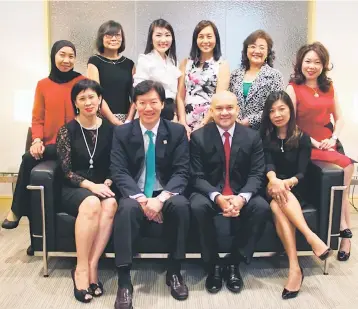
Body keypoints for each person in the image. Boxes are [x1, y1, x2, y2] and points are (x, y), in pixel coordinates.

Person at [111, 80, 190, 308]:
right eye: (142, 102)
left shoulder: (175, 131)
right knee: (125, 210)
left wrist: (161, 199)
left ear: (162, 103)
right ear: (135, 104)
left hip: (164, 190)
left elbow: (181, 171)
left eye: (153, 102)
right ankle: (124, 281)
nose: (148, 108)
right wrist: (143, 200)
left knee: (182, 206)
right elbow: (119, 170)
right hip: (136, 192)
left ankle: (174, 271)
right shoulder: (123, 132)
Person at [190, 90, 270, 294]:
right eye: (219, 108)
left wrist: (241, 199)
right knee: (197, 206)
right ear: (211, 111)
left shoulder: (252, 137)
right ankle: (214, 264)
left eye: (229, 108)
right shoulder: (199, 137)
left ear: (237, 110)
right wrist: (218, 198)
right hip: (210, 193)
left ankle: (234, 261)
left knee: (260, 207)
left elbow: (257, 174)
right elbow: (196, 176)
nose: (224, 112)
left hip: (241, 192)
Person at [2, 40, 84, 232]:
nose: (66, 60)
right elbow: (37, 118)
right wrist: (37, 140)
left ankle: (16, 210)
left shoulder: (80, 82)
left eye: (71, 56)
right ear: (53, 56)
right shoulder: (43, 85)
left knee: (29, 161)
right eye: (62, 55)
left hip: (74, 144)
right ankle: (36, 238)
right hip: (50, 144)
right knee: (29, 160)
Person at [260, 91, 333, 299]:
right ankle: (311, 237)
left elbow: (302, 171)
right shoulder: (264, 135)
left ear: (290, 110)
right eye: (272, 111)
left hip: (294, 186)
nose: (277, 114)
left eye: (282, 109)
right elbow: (267, 163)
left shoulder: (302, 137)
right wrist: (274, 180)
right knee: (277, 195)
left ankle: (294, 268)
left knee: (277, 205)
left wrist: (288, 182)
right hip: (269, 183)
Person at [286, 42, 355, 261]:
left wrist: (333, 137)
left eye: (317, 62)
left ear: (324, 65)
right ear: (300, 63)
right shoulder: (293, 88)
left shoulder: (328, 87)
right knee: (344, 168)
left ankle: (344, 232)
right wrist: (314, 141)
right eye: (308, 61)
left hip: (327, 142)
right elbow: (289, 123)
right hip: (306, 145)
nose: (312, 66)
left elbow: (340, 117)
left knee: (348, 165)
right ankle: (344, 228)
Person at [56, 79, 118, 303]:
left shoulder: (110, 130)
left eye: (92, 97)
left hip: (104, 185)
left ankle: (94, 264)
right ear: (76, 102)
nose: (88, 102)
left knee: (110, 203)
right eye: (82, 98)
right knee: (92, 203)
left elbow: (116, 164)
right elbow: (66, 171)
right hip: (75, 187)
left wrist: (108, 183)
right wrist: (92, 187)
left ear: (100, 99)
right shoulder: (67, 130)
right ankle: (81, 269)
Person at [177, 20, 230, 136]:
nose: (205, 41)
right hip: (186, 125)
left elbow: (218, 100)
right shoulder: (186, 63)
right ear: (195, 40)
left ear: (216, 39)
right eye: (201, 37)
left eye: (209, 36)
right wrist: (182, 122)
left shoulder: (222, 65)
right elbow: (180, 96)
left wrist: (203, 125)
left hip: (210, 124)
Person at [230, 30, 284, 130]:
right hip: (235, 130)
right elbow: (229, 101)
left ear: (268, 52)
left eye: (262, 48)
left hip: (262, 132)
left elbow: (276, 105)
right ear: (246, 50)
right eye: (253, 46)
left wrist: (250, 120)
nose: (257, 51)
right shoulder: (234, 75)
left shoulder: (275, 76)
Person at [132, 18, 181, 121]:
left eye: (167, 35)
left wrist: (176, 114)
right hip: (151, 111)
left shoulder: (173, 62)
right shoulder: (145, 60)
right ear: (151, 38)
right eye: (158, 35)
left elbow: (175, 94)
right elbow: (139, 91)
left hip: (170, 113)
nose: (163, 40)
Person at [88, 20, 135, 125]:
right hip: (101, 119)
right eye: (109, 35)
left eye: (118, 35)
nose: (114, 39)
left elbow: (135, 96)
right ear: (101, 38)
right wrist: (114, 121)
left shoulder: (129, 64)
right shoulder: (94, 61)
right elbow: (95, 94)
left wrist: (128, 120)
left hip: (126, 120)